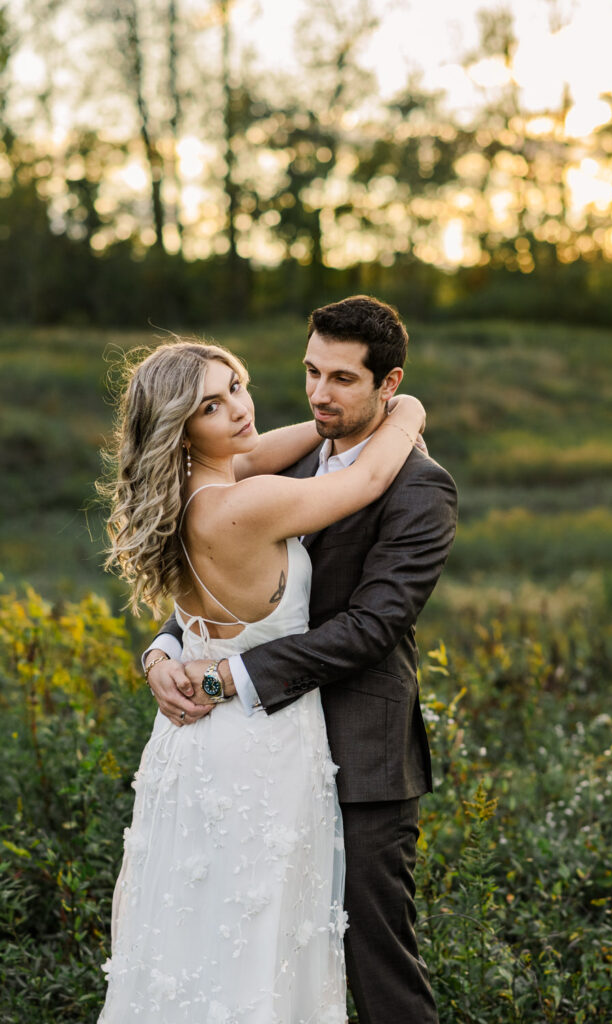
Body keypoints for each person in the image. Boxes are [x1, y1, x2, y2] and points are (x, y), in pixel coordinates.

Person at [145, 296, 458, 1024]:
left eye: (344, 379)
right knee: (254, 953)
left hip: (359, 758)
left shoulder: (418, 487)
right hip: (262, 760)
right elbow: (227, 574)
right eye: (311, 371)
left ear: (388, 383)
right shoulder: (287, 459)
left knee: (376, 965)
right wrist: (166, 646)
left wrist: (227, 676)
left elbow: (372, 625)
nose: (319, 393)